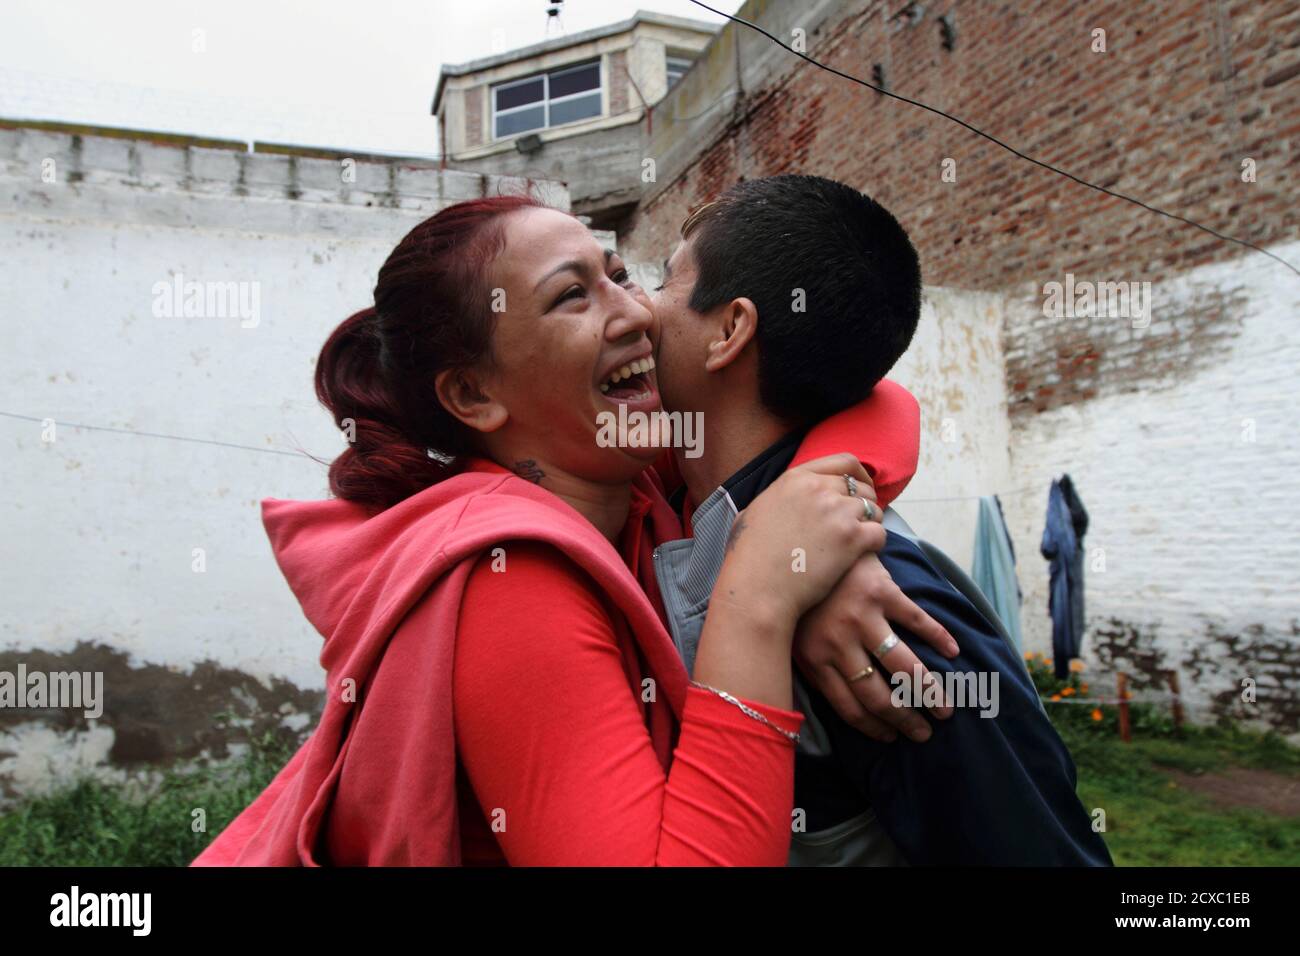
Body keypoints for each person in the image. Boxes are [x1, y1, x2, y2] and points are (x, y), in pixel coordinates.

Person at [191, 194, 924, 866]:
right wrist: (761, 602)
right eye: (572, 296)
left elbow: (875, 396)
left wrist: (832, 505)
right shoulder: (512, 580)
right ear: (474, 394)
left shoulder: (625, 473)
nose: (638, 315)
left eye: (618, 274)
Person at [648, 174, 1114, 865]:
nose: (639, 307)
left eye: (666, 282)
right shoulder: (672, 507)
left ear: (729, 330)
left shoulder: (886, 617)